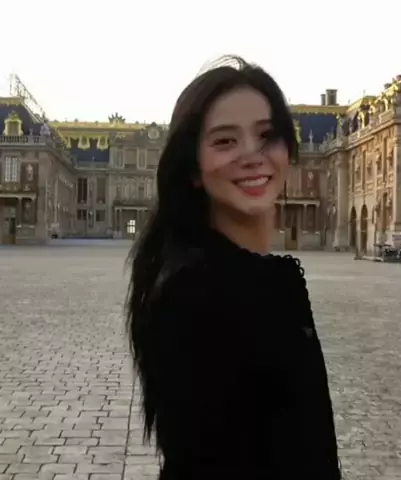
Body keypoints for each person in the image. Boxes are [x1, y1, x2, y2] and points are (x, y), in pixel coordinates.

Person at [126, 55, 341, 480]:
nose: (252, 155)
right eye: (225, 141)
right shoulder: (199, 294)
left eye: (267, 135)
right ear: (193, 169)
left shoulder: (246, 278)